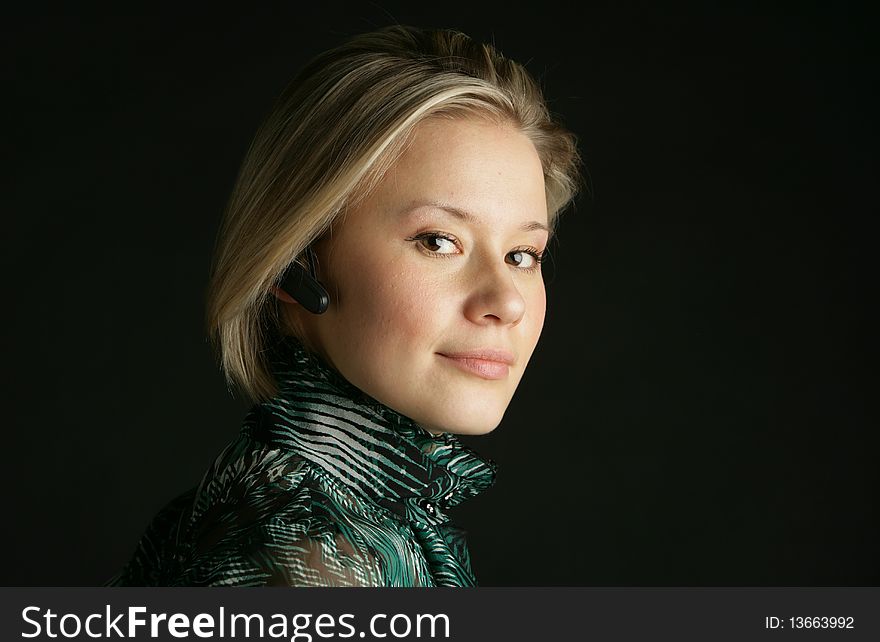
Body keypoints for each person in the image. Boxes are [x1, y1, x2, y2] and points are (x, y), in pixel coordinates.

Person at [106, 24, 581, 587]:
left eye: (523, 254)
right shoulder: (309, 559)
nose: (505, 301)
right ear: (296, 262)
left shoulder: (348, 521)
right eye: (437, 241)